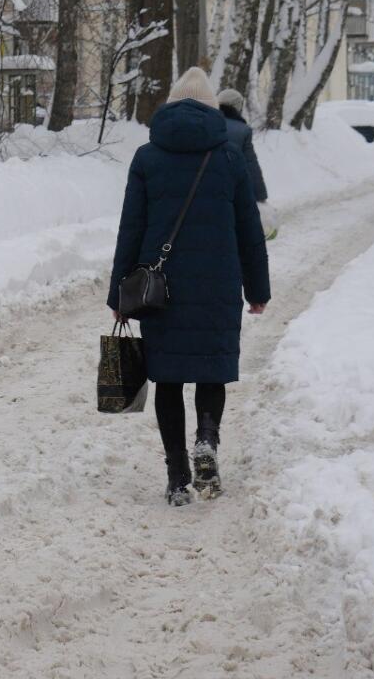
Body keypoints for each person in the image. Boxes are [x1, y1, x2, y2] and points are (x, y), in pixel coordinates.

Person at [107, 67, 271, 506]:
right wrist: (258, 290)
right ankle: (207, 441)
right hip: (218, 283)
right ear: (209, 106)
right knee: (211, 370)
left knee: (169, 379)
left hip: (161, 289)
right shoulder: (230, 157)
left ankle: (178, 476)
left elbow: (132, 229)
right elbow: (248, 230)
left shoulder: (147, 157)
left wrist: (118, 297)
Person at [216, 88, 268, 203]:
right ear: (237, 107)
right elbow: (250, 164)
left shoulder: (205, 123)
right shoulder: (243, 130)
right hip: (229, 190)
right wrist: (260, 195)